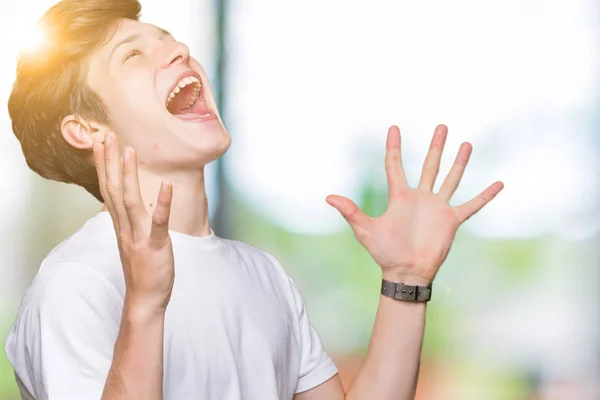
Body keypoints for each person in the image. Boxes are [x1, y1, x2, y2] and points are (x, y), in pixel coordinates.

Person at [3, 0, 504, 399]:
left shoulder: (262, 274)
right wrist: (145, 304)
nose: (178, 49)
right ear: (85, 129)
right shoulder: (75, 284)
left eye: (168, 39)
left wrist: (406, 282)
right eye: (133, 55)